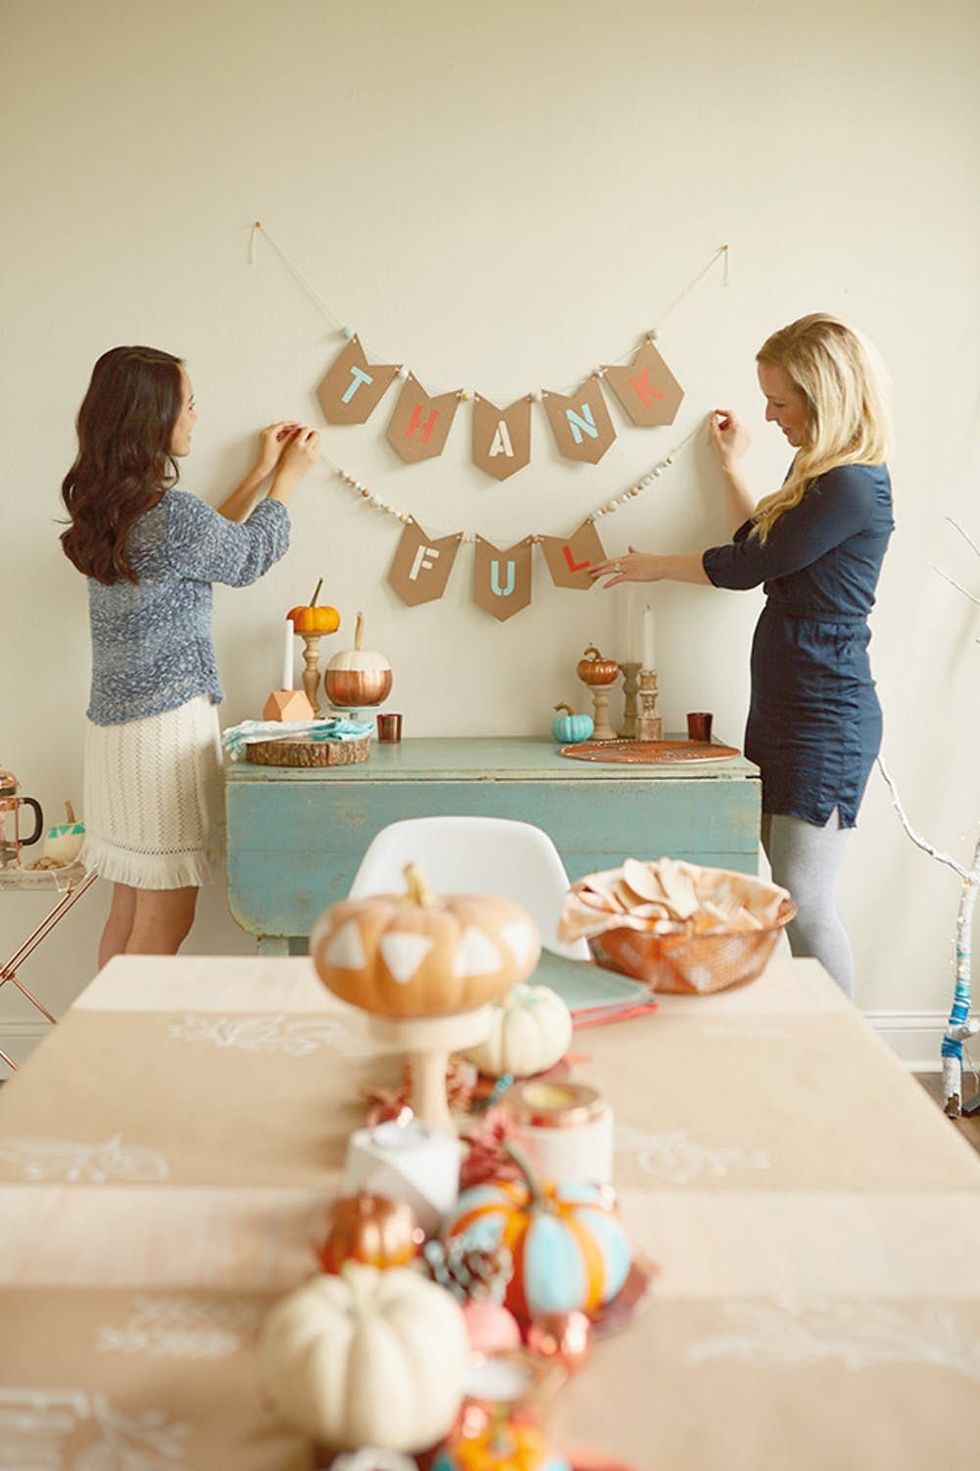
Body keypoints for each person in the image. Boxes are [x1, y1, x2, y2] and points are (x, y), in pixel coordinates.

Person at [589, 313, 893, 996]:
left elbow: (747, 565)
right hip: (787, 706)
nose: (770, 414)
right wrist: (730, 468)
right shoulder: (817, 471)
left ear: (824, 397)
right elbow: (763, 546)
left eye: (780, 402)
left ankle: (840, 1046)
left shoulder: (852, 483)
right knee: (785, 892)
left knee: (805, 902)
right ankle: (812, 1033)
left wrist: (655, 565)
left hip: (827, 714)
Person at [61, 345, 320, 962]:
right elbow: (246, 556)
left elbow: (206, 547)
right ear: (154, 417)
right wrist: (288, 479)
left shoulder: (110, 507)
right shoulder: (169, 516)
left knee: (129, 908)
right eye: (190, 404)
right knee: (165, 915)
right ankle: (127, 1031)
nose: (196, 417)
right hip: (162, 731)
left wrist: (257, 474)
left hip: (114, 734)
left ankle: (104, 1027)